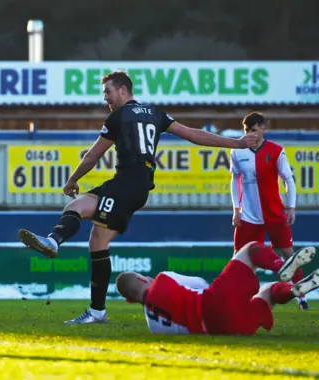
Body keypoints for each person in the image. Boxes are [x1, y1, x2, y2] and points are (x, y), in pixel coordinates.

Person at [17, 70, 260, 324]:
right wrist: (237, 143)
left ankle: (55, 242)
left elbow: (93, 155)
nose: (106, 100)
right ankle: (97, 311)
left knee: (77, 206)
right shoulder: (156, 113)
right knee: (97, 241)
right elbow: (193, 134)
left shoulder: (118, 117)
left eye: (108, 93)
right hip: (137, 185)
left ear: (123, 90)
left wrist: (72, 179)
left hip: (127, 182)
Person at [115, 241, 318, 335]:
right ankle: (279, 266)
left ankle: (293, 290)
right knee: (249, 250)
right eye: (145, 277)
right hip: (212, 304)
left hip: (223, 330)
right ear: (142, 280)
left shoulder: (153, 327)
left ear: (130, 300)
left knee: (268, 292)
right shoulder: (163, 278)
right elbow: (201, 284)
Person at [230, 112, 308, 310]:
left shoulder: (276, 151)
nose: (251, 135)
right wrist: (236, 209)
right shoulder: (237, 151)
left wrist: (291, 207)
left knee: (289, 254)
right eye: (248, 131)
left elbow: (288, 180)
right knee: (239, 256)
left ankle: (302, 298)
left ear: (263, 128)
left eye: (255, 130)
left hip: (273, 213)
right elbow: (234, 180)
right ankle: (237, 296)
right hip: (248, 215)